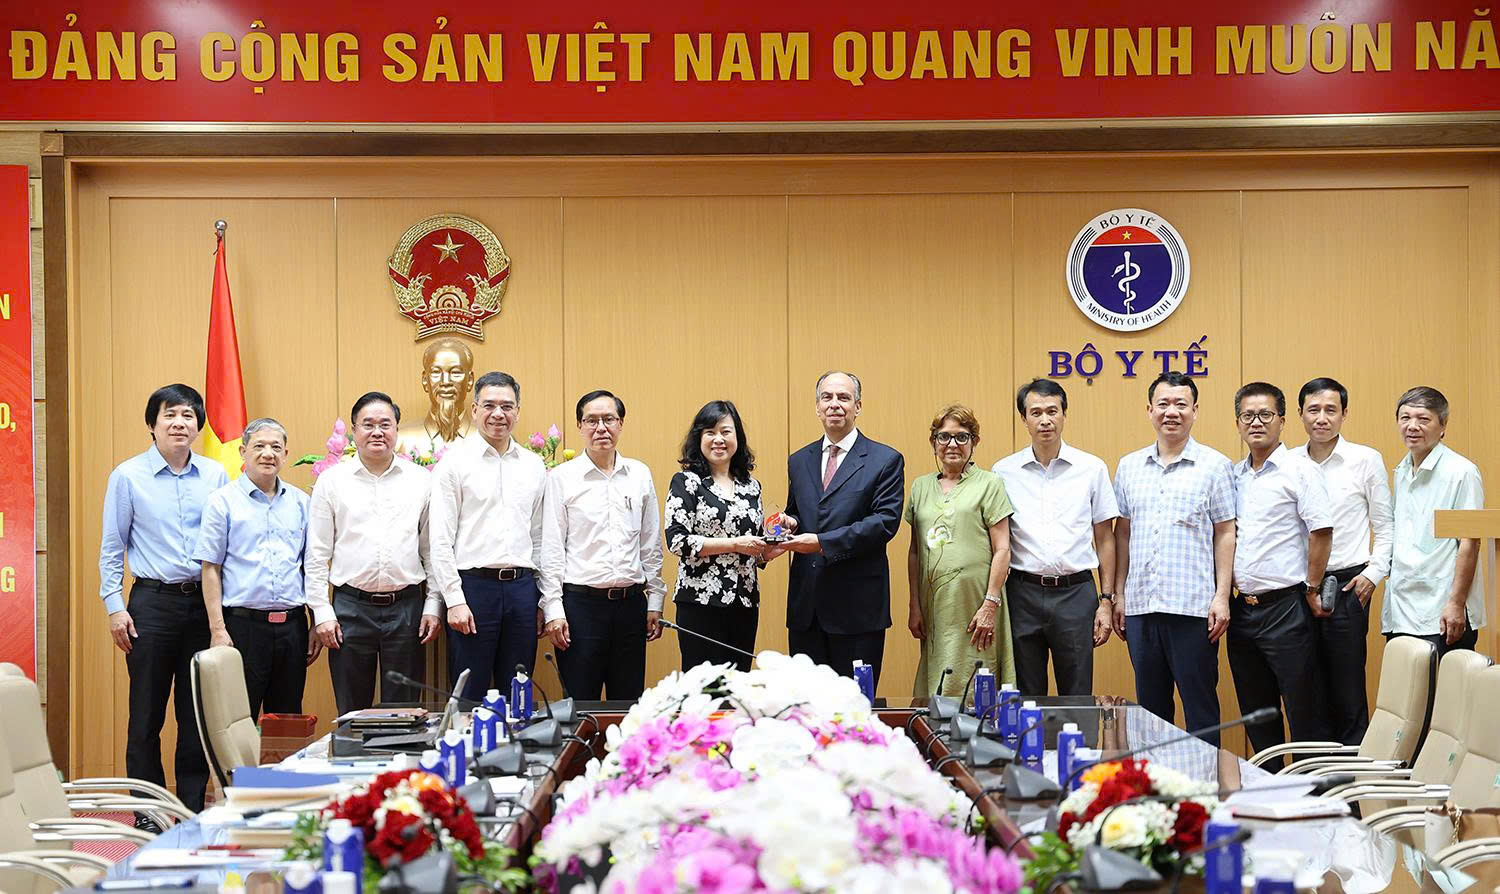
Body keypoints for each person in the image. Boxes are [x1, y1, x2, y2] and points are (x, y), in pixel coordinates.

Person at [98, 384, 227, 818]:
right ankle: (149, 813)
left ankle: (190, 809)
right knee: (146, 715)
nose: (179, 423)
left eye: (188, 415)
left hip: (202, 605)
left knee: (196, 717)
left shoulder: (215, 475)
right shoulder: (127, 476)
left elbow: (225, 546)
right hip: (151, 605)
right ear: (152, 424)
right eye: (169, 414)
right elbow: (112, 548)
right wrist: (115, 606)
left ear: (198, 425)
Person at [1113, 372, 1236, 744]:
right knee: (1151, 714)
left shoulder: (1215, 465)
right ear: (1149, 410)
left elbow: (1225, 532)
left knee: (1201, 709)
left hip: (1193, 609)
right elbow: (1122, 533)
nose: (1172, 412)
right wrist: (1118, 594)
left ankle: (1206, 781)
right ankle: (1157, 779)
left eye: (1181, 404)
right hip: (1141, 607)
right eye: (1163, 404)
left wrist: (1221, 596)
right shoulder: (1129, 466)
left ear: (1195, 411)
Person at [305, 392, 442, 715]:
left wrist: (433, 603)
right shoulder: (332, 482)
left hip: (407, 608)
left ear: (396, 430)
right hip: (350, 609)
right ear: (354, 430)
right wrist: (322, 612)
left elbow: (432, 550)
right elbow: (317, 553)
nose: (377, 432)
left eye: (385, 424)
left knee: (405, 713)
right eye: (368, 424)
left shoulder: (421, 480)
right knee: (352, 713)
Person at [772, 371, 904, 687]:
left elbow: (884, 523)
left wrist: (821, 542)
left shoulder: (885, 459)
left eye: (844, 397)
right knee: (806, 705)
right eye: (827, 397)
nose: (835, 404)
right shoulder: (798, 460)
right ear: (817, 407)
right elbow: (801, 512)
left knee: (855, 705)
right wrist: (790, 522)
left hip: (857, 610)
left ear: (858, 406)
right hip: (807, 609)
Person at [1226, 383, 1333, 762]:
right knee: (1257, 713)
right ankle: (1270, 787)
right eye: (1248, 416)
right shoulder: (1233, 475)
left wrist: (1313, 587)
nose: (1256, 422)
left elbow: (1321, 531)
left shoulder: (1300, 470)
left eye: (1265, 415)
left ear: (1282, 421)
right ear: (1238, 423)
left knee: (1304, 711)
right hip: (1242, 610)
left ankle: (1313, 794)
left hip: (1287, 608)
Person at [992, 379, 1119, 697]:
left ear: (1064, 414)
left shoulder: (1091, 468)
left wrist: (1106, 601)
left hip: (1076, 594)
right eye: (1036, 412)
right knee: (1025, 694)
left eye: (1052, 411)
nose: (1045, 420)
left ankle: (1075, 735)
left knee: (1077, 694)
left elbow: (1105, 539)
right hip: (1022, 592)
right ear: (1024, 418)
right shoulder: (1003, 472)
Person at [429, 371, 549, 702]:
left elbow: (540, 538)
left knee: (519, 690)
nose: (498, 414)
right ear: (474, 410)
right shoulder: (454, 464)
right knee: (470, 692)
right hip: (473, 589)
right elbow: (440, 539)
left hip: (522, 589)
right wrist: (454, 600)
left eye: (507, 406)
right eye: (489, 405)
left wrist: (542, 598)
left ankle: (518, 739)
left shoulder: (533, 466)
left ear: (518, 412)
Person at [540, 390, 666, 700]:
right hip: (581, 607)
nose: (601, 428)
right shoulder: (562, 478)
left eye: (609, 419)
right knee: (581, 704)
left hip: (630, 606)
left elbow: (650, 543)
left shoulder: (639, 474)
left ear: (621, 423)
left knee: (629, 702)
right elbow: (552, 549)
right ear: (580, 426)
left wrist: (655, 600)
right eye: (591, 420)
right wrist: (553, 608)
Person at [1289, 377, 1392, 744]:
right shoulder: (1287, 462)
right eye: (1313, 410)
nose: (1322, 418)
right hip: (1299, 589)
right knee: (1306, 692)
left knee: (1348, 691)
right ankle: (1313, 776)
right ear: (1300, 414)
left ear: (1344, 414)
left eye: (1331, 410)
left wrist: (1374, 574)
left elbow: (1385, 524)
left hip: (1349, 585)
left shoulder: (1365, 460)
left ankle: (1352, 777)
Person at [194, 418, 314, 722]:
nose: (267, 453)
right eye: (259, 446)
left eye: (276, 447)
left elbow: (311, 568)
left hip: (292, 628)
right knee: (238, 721)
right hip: (243, 628)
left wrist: (314, 623)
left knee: (287, 721)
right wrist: (217, 630)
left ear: (285, 454)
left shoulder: (302, 503)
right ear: (243, 452)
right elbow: (210, 568)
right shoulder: (222, 502)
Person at [906, 404, 1015, 698]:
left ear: (974, 441)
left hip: (977, 601)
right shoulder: (920, 487)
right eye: (944, 436)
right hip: (935, 603)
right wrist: (914, 604)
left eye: (961, 437)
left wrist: (990, 603)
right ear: (934, 442)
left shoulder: (990, 484)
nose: (952, 444)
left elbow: (1003, 549)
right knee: (939, 674)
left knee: (977, 673)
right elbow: (915, 552)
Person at [664, 400, 765, 673]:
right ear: (699, 438)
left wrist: (770, 548)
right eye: (710, 432)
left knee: (739, 685)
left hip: (744, 602)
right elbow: (678, 541)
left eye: (725, 432)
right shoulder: (686, 482)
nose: (718, 439)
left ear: (737, 438)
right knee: (704, 686)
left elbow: (754, 545)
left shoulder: (751, 487)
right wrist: (734, 544)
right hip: (700, 602)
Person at [1386, 386, 1485, 656]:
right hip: (1402, 608)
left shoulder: (1461, 471)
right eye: (1405, 418)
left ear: (1443, 426)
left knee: (1447, 683)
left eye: (1423, 419)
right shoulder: (1401, 470)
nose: (1412, 426)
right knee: (1405, 684)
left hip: (1442, 609)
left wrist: (1456, 603)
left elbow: (1470, 543)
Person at [396, 337, 476, 456]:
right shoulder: (400, 441)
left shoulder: (490, 440)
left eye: (455, 372)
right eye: (436, 372)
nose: (445, 382)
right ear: (425, 380)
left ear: (470, 380)